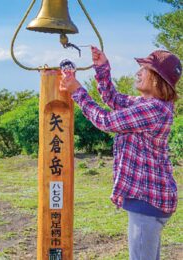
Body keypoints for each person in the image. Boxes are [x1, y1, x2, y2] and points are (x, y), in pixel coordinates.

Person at [59, 47, 182, 260]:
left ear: (156, 78)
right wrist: (102, 68)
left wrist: (77, 91)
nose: (138, 73)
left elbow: (107, 121)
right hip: (150, 200)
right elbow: (114, 100)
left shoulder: (154, 109)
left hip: (147, 201)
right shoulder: (148, 104)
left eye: (144, 69)